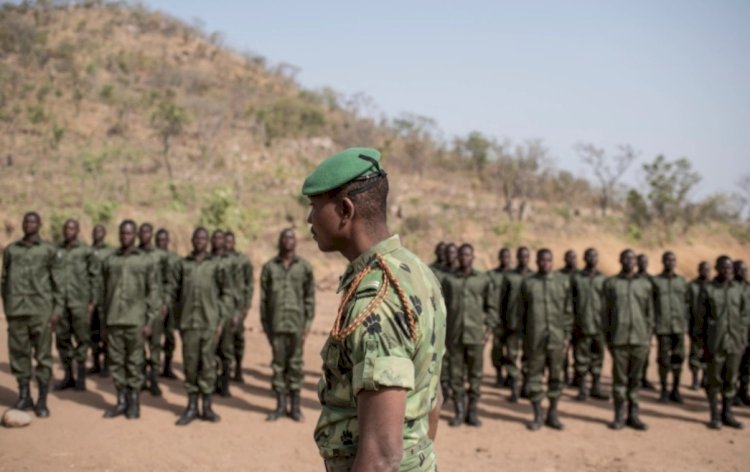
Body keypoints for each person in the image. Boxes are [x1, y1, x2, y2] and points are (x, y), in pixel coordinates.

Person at [303, 147, 446, 471]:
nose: (309, 219)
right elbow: (433, 401)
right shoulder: (414, 271)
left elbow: (381, 456)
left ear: (344, 209)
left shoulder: (377, 301)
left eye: (314, 206)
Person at [171, 227, 234, 426]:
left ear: (207, 241)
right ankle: (191, 407)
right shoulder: (183, 265)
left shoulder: (216, 265)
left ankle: (206, 407)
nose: (199, 241)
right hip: (188, 324)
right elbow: (174, 294)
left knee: (207, 365)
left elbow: (227, 293)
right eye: (196, 238)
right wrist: (178, 321)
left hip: (209, 324)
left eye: (203, 238)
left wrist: (220, 319)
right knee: (190, 365)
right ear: (191, 240)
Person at [1, 212, 61, 418]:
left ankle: (42, 399)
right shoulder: (11, 251)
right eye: (26, 221)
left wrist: (56, 311)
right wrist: (7, 308)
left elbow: (58, 284)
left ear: (40, 224)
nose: (29, 224)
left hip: (40, 311)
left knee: (43, 356)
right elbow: (4, 282)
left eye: (33, 221)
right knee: (18, 355)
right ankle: (24, 395)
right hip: (17, 310)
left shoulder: (48, 251)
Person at [101, 220, 160, 420]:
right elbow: (102, 291)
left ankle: (134, 403)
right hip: (114, 319)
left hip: (136, 320)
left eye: (129, 234)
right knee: (116, 363)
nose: (125, 237)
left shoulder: (145, 261)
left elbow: (153, 291)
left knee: (135, 362)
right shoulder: (110, 260)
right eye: (122, 233)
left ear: (134, 235)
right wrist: (103, 320)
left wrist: (150, 320)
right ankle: (121, 401)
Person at [260, 228, 315, 422]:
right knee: (278, 366)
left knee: (296, 366)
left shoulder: (304, 267)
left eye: (291, 237)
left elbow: (309, 298)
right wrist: (266, 326)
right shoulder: (269, 268)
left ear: (296, 242)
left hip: (296, 325)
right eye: (284, 237)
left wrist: (307, 325)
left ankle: (296, 408)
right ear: (279, 241)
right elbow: (264, 300)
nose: (288, 241)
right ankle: (280, 406)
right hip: (276, 325)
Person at [442, 243, 496, 427]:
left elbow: (491, 307)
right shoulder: (449, 281)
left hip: (475, 336)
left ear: (473, 257)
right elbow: (442, 307)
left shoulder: (482, 279)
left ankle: (472, 412)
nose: (464, 258)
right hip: (454, 336)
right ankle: (458, 412)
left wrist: (488, 329)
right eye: (461, 255)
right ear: (457, 257)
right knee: (456, 375)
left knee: (476, 375)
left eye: (468, 255)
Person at [519, 248, 571, 431]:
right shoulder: (528, 283)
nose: (545, 263)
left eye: (548, 260)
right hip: (535, 340)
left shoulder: (562, 282)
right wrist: (523, 339)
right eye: (542, 260)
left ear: (552, 261)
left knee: (556, 377)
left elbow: (568, 312)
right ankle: (537, 415)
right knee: (534, 378)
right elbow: (521, 314)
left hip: (556, 339)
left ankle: (553, 414)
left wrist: (567, 335)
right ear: (537, 262)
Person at [603, 249, 653, 431]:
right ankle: (618, 416)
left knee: (635, 380)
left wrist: (647, 337)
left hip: (639, 339)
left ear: (636, 262)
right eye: (625, 258)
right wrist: (609, 339)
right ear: (619, 260)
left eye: (632, 258)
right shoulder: (611, 284)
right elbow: (605, 314)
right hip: (619, 339)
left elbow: (649, 314)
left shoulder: (645, 284)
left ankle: (634, 415)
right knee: (619, 381)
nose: (629, 261)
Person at [697, 255, 748, 429]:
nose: (728, 271)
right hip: (715, 343)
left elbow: (744, 317)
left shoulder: (739, 290)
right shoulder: (708, 289)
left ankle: (728, 414)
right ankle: (714, 415)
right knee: (714, 380)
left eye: (730, 269)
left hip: (734, 343)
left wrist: (742, 340)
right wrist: (701, 345)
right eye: (724, 268)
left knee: (731, 379)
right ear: (717, 269)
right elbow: (700, 320)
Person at [53, 219, 100, 393]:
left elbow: (95, 278)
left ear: (78, 230)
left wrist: (92, 302)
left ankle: (80, 377)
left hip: (80, 303)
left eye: (72, 228)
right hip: (60, 304)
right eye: (66, 227)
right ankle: (68, 376)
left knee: (82, 340)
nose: (68, 230)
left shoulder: (86, 251)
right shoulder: (56, 250)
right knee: (62, 340)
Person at [570, 248, 609, 401]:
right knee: (581, 359)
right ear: (584, 258)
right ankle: (582, 389)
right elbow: (570, 302)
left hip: (599, 325)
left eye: (595, 255)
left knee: (598, 357)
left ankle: (596, 387)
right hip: (582, 325)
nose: (592, 258)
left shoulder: (603, 279)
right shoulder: (576, 278)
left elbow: (608, 304)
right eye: (589, 256)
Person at [651, 251, 689, 404]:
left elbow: (687, 304)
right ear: (662, 261)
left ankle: (676, 389)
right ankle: (664, 390)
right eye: (667, 260)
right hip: (663, 326)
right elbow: (651, 305)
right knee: (663, 360)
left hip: (678, 326)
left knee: (678, 358)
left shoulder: (682, 282)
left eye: (673, 260)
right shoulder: (656, 282)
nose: (670, 262)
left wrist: (686, 323)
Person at [137, 222, 169, 396]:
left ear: (152, 234)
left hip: (155, 307)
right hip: (136, 308)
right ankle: (141, 379)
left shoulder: (160, 256)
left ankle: (154, 379)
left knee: (155, 346)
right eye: (141, 232)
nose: (144, 235)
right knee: (138, 346)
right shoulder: (133, 255)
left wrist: (165, 302)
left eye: (147, 232)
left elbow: (168, 281)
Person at [500, 246, 532, 402]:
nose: (523, 259)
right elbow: (502, 301)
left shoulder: (534, 277)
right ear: (517, 258)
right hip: (512, 323)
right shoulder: (509, 277)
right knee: (512, 357)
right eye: (521, 256)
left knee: (528, 357)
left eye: (526, 256)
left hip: (531, 325)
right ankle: (513, 389)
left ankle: (526, 387)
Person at [211, 229, 239, 397]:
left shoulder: (232, 262)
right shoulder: (206, 260)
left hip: (228, 313)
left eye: (220, 238)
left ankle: (225, 383)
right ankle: (213, 382)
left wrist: (237, 312)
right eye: (214, 237)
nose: (217, 241)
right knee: (210, 351)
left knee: (226, 351)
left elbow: (237, 289)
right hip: (209, 314)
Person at [225, 231, 254, 383]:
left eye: (230, 241)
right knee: (224, 341)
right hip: (224, 307)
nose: (227, 243)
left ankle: (238, 368)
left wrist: (246, 306)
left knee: (238, 339)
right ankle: (225, 371)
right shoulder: (218, 259)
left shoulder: (242, 260)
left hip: (238, 306)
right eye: (225, 241)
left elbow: (249, 284)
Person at [89, 224, 115, 377]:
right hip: (91, 298)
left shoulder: (111, 252)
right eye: (94, 231)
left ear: (105, 233)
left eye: (99, 231)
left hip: (106, 298)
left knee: (106, 333)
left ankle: (107, 364)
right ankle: (95, 363)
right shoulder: (87, 251)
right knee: (92, 333)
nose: (97, 233)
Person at [155, 228, 181, 379]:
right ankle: (154, 368)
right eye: (158, 240)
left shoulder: (175, 259)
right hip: (155, 303)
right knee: (154, 337)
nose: (161, 243)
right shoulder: (151, 257)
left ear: (168, 241)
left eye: (163, 240)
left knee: (170, 336)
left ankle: (168, 366)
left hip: (172, 303)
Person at [488, 247, 512, 388]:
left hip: (512, 320)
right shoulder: (492, 275)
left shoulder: (516, 276)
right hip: (497, 319)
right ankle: (498, 375)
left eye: (507, 256)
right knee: (497, 349)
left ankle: (511, 376)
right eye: (503, 256)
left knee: (512, 351)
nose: (505, 259)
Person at [687, 261, 710, 390]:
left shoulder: (713, 287)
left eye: (707, 269)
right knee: (694, 353)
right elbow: (687, 305)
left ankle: (705, 378)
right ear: (698, 270)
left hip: (711, 327)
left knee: (708, 353)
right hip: (695, 324)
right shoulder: (692, 286)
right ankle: (695, 379)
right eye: (703, 269)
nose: (705, 272)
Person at [558, 249, 578, 387]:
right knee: (563, 350)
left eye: (573, 257)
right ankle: (564, 375)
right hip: (562, 317)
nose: (571, 260)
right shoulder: (558, 276)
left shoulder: (581, 275)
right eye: (568, 257)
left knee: (579, 351)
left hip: (579, 318)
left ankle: (577, 377)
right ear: (564, 259)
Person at [637, 253, 657, 391]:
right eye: (641, 261)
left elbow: (655, 303)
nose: (643, 264)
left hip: (647, 322)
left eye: (645, 261)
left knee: (645, 352)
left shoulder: (652, 280)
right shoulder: (633, 279)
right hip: (634, 320)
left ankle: (643, 377)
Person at [734, 260, 750, 406]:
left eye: (745, 270)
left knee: (746, 368)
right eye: (739, 270)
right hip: (736, 335)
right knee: (734, 367)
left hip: (748, 334)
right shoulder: (732, 288)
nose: (743, 272)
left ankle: (743, 393)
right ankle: (733, 395)